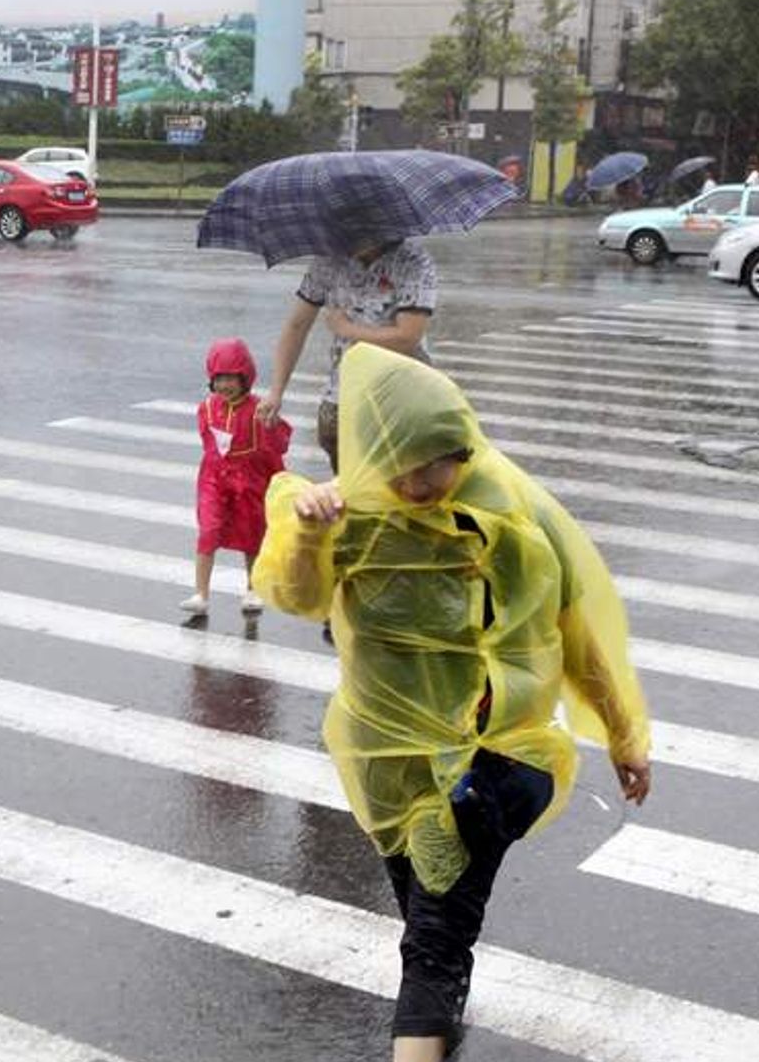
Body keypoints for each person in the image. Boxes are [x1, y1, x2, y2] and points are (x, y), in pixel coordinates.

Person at [253, 343, 652, 1062]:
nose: (415, 484)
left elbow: (577, 637)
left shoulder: (514, 520)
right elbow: (294, 596)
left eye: (432, 463)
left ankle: (431, 1020)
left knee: (431, 946)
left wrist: (624, 735)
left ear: (460, 447)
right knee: (425, 917)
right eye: (396, 465)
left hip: (490, 762)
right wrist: (309, 531)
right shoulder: (348, 515)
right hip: (388, 768)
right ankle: (443, 1015)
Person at [256, 238, 437, 476]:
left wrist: (348, 330)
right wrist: (276, 392)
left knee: (403, 494)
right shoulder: (328, 261)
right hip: (343, 399)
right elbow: (297, 326)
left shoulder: (413, 261)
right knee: (350, 494)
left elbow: (408, 336)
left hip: (401, 401)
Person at [180, 338, 292, 616]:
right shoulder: (206, 409)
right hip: (215, 480)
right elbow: (210, 446)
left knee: (252, 534)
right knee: (208, 530)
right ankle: (200, 593)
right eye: (218, 378)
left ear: (245, 378)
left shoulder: (259, 410)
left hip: (249, 481)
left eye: (231, 378)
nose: (224, 385)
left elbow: (279, 445)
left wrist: (273, 424)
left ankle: (253, 588)